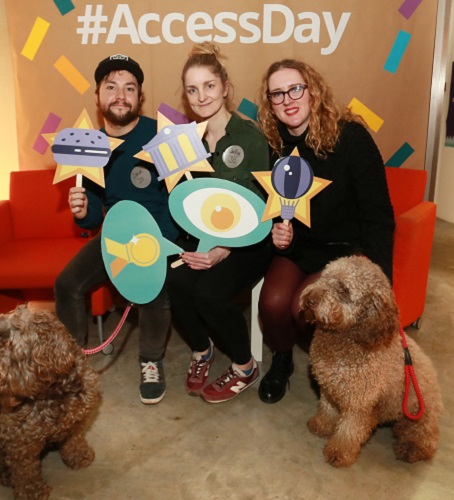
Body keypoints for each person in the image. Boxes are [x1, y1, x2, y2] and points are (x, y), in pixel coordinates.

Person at [255, 59, 395, 404]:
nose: (288, 99)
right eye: (277, 94)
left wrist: (380, 280)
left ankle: (334, 365)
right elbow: (271, 207)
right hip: (298, 248)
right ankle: (283, 360)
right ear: (269, 104)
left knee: (301, 308)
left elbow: (378, 214)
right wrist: (277, 231)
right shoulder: (273, 146)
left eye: (295, 89)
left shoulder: (351, 137)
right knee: (272, 304)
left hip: (344, 250)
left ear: (313, 91)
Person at [54, 54, 178, 405]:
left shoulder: (159, 136)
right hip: (115, 236)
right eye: (111, 87)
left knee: (152, 290)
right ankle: (69, 366)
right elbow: (93, 219)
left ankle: (151, 360)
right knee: (66, 284)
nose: (120, 95)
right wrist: (82, 212)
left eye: (129, 88)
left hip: (159, 235)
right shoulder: (89, 147)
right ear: (98, 96)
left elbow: (179, 197)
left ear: (140, 97)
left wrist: (160, 245)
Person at [166, 43, 271, 404]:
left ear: (225, 87)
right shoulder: (185, 142)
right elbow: (187, 202)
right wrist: (198, 247)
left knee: (209, 293)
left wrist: (223, 251)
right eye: (192, 89)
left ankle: (244, 366)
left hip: (252, 240)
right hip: (204, 237)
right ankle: (202, 350)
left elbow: (260, 207)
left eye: (209, 86)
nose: (201, 96)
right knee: (175, 280)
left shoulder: (250, 137)